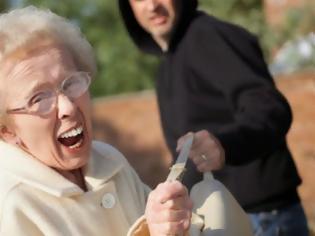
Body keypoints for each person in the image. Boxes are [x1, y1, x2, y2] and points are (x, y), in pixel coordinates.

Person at [118, 0, 309, 235]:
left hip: (261, 221)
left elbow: (270, 109)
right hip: (218, 222)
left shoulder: (209, 36)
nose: (152, 5)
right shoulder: (169, 62)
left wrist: (225, 144)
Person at [0, 6, 196, 236]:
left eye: (70, 83)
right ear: (7, 131)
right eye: (39, 98)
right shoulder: (11, 204)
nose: (68, 107)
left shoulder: (109, 160)